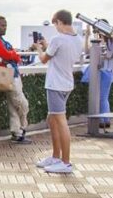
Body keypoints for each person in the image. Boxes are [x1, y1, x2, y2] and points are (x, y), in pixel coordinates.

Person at [35, 10, 84, 174]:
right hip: (66, 83)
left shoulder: (58, 39)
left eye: (55, 24)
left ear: (60, 22)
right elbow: (61, 53)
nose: (55, 27)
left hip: (55, 84)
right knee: (53, 119)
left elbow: (43, 59)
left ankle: (65, 162)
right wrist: (47, 46)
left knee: (60, 121)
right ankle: (56, 157)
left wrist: (38, 48)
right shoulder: (78, 39)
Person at [0, 15, 29, 143]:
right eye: (2, 25)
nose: (4, 28)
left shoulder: (1, 40)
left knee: (13, 105)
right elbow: (7, 54)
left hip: (12, 73)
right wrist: (13, 55)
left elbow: (12, 56)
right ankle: (21, 128)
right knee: (21, 103)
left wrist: (12, 56)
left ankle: (18, 132)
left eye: (5, 25)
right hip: (6, 74)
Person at [82, 22, 113, 128]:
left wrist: (100, 44)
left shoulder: (111, 40)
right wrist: (87, 36)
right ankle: (104, 120)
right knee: (101, 97)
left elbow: (109, 55)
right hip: (98, 72)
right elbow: (87, 51)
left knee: (103, 97)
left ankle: (103, 120)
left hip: (106, 71)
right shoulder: (97, 38)